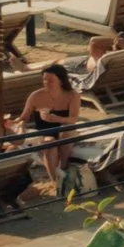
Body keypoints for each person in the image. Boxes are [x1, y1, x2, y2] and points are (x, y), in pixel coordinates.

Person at [17, 62, 82, 200]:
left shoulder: (72, 95)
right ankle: (54, 180)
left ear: (60, 80)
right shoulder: (36, 96)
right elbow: (24, 117)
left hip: (65, 128)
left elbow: (74, 119)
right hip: (44, 132)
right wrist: (18, 125)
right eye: (44, 79)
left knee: (66, 130)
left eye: (50, 80)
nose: (46, 82)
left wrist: (55, 118)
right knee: (50, 142)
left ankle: (63, 165)